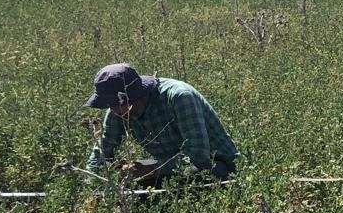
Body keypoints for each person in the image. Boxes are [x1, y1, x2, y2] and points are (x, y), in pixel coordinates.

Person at [83, 63, 240, 184]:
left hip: (217, 165)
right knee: (127, 181)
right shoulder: (118, 111)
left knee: (190, 176)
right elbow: (102, 151)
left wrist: (153, 169)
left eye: (117, 103)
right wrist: (90, 184)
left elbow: (198, 154)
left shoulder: (179, 97)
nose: (114, 109)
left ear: (135, 95)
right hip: (170, 166)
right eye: (110, 104)